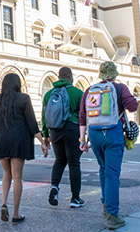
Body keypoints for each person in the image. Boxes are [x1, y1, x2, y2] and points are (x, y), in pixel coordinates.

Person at [79, 61, 138, 230]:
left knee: (103, 169)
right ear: (114, 74)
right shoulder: (120, 88)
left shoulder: (90, 90)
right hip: (113, 132)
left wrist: (82, 140)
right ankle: (112, 215)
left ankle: (106, 205)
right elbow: (132, 106)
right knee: (112, 174)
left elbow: (82, 116)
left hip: (95, 134)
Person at [0, 73, 48, 225]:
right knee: (17, 177)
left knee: (6, 174)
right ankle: (16, 214)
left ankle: (4, 203)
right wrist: (42, 141)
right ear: (18, 84)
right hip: (18, 141)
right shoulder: (24, 98)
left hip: (2, 141)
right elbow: (32, 123)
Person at [41, 66, 85, 208]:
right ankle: (75, 198)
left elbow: (44, 117)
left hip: (55, 131)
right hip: (72, 129)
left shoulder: (49, 94)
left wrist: (46, 135)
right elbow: (85, 115)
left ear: (59, 77)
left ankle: (54, 186)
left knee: (59, 160)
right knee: (74, 163)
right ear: (71, 77)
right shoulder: (78, 93)